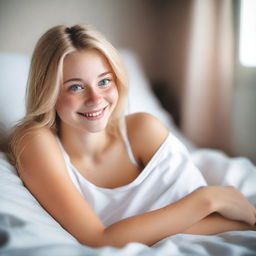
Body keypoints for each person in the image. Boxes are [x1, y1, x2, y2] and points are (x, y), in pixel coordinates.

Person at [8, 24, 256, 248]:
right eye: (76, 86)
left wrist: (209, 209)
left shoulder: (143, 129)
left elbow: (210, 222)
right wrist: (208, 199)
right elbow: (96, 239)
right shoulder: (34, 141)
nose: (96, 99)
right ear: (48, 91)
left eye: (104, 81)